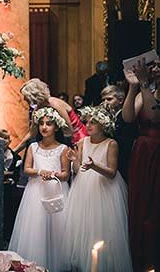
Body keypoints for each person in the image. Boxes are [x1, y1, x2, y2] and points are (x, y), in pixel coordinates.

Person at [62, 105, 131, 271]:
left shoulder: (111, 144)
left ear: (104, 125)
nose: (89, 125)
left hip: (105, 190)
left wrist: (95, 166)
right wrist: (73, 160)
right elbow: (79, 169)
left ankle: (103, 263)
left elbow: (112, 172)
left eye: (93, 122)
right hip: (84, 188)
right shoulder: (82, 142)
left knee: (103, 225)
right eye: (87, 121)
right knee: (84, 224)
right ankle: (85, 261)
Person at [8, 107, 71, 272]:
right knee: (36, 226)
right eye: (41, 124)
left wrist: (54, 175)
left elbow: (66, 174)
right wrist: (40, 172)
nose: (44, 127)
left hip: (56, 191)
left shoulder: (63, 148)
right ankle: (35, 265)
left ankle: (56, 264)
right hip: (35, 191)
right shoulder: (33, 146)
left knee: (57, 229)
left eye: (49, 124)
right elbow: (27, 169)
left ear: (56, 127)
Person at [123, 60, 160, 271]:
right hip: (142, 153)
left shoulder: (150, 90)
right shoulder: (144, 91)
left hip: (158, 153)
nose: (154, 70)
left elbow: (154, 116)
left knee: (155, 210)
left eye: (159, 66)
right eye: (153, 66)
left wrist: (145, 85)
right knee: (141, 205)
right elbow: (128, 117)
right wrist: (133, 86)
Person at [16, 78, 88, 152]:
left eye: (25, 96)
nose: (24, 99)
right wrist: (15, 151)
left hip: (78, 139)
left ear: (33, 94)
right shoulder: (37, 109)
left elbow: (69, 131)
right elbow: (32, 133)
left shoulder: (55, 104)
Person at [100, 85, 137, 182]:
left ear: (121, 100)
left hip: (125, 159)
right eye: (103, 100)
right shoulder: (106, 117)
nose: (105, 103)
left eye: (109, 99)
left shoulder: (125, 116)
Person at [0, 129, 22, 242]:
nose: (3, 141)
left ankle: (8, 237)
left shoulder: (16, 157)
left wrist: (11, 178)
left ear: (10, 141)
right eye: (0, 139)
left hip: (10, 191)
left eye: (6, 138)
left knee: (9, 215)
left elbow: (17, 175)